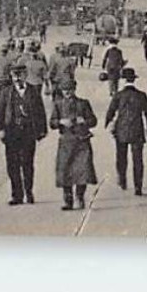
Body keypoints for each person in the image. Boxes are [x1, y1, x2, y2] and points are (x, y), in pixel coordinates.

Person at [0, 59, 47, 205]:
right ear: (11, 76)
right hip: (11, 131)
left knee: (28, 163)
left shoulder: (33, 91)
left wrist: (42, 130)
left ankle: (29, 192)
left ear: (26, 75)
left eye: (21, 74)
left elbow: (40, 111)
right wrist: (0, 129)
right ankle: (16, 194)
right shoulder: (6, 92)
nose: (17, 77)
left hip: (28, 131)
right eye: (14, 75)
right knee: (12, 164)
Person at [49, 73, 98, 210]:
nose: (67, 92)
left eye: (70, 89)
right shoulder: (58, 105)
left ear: (74, 89)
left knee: (83, 170)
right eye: (65, 90)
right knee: (65, 170)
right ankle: (68, 200)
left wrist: (84, 121)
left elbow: (93, 121)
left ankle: (80, 197)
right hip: (66, 142)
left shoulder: (83, 103)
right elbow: (52, 123)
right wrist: (60, 122)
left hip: (82, 141)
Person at [104, 68, 147, 194]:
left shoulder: (119, 95)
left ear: (123, 80)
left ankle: (122, 180)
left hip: (121, 130)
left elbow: (110, 112)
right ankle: (138, 186)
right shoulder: (141, 95)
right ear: (133, 80)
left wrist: (108, 124)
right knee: (138, 159)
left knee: (121, 156)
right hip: (137, 130)